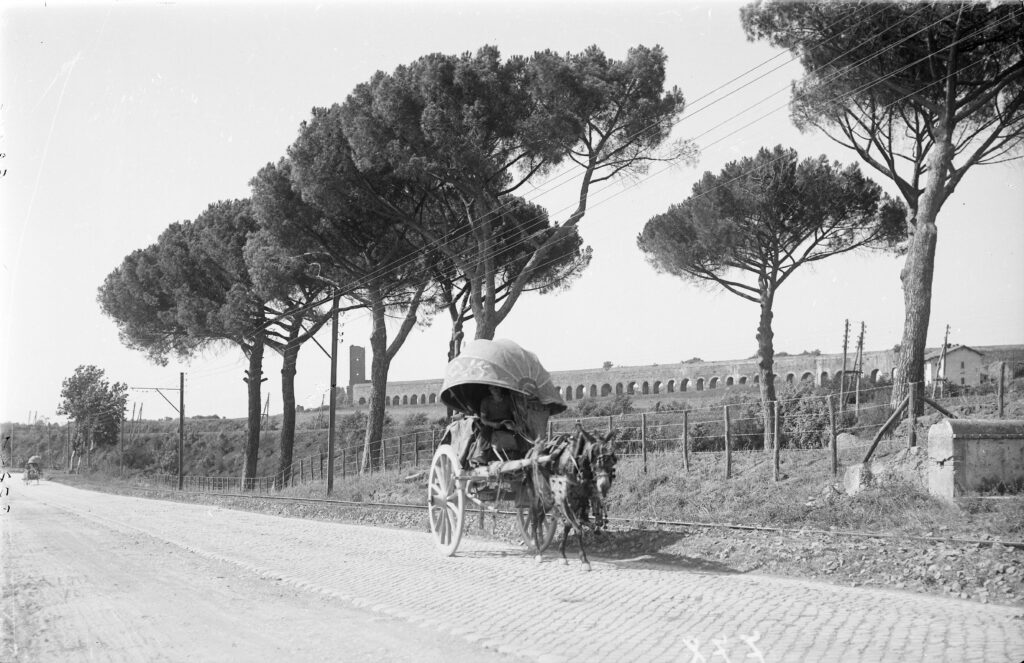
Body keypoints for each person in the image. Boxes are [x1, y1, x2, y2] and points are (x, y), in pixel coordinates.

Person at [471, 385, 516, 466]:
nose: (495, 390)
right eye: (493, 388)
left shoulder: (508, 399)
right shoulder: (486, 401)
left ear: (501, 388)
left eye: (497, 387)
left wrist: (516, 425)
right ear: (490, 390)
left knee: (520, 432)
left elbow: (515, 414)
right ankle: (483, 453)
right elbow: (483, 419)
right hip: (491, 424)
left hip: (506, 423)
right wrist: (493, 424)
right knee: (485, 431)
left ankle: (522, 451)